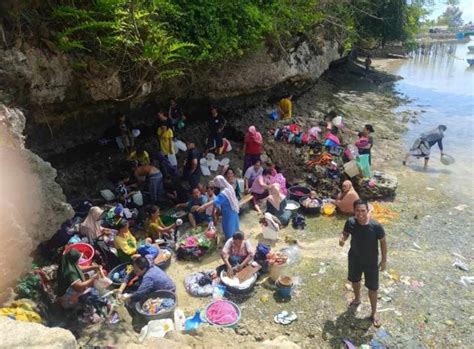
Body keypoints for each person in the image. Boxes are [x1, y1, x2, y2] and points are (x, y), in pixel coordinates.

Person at [339, 199, 387, 328]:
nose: (360, 214)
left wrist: (383, 260)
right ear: (354, 211)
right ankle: (357, 298)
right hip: (354, 258)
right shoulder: (350, 222)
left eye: (363, 211)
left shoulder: (376, 226)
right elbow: (345, 233)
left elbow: (383, 242)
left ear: (368, 210)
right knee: (355, 280)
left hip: (371, 262)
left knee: (373, 288)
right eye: (357, 211)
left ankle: (374, 312)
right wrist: (342, 239)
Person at [197, 175, 239, 241]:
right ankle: (237, 237)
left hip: (228, 212)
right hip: (234, 209)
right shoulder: (229, 187)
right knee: (234, 225)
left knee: (228, 226)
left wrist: (204, 206)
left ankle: (230, 240)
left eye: (216, 183)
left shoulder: (223, 193)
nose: (215, 184)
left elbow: (215, 201)